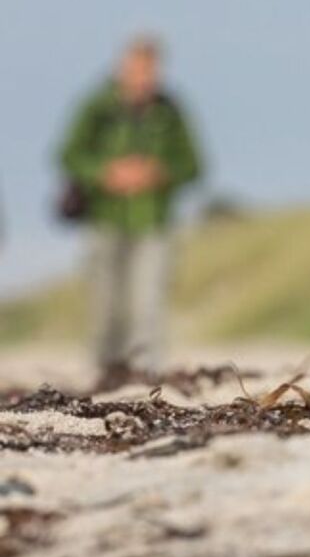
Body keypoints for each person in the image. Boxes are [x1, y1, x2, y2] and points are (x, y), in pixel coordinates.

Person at [57, 35, 203, 379]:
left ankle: (145, 370)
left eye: (151, 69)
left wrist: (159, 171)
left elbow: (194, 165)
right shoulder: (96, 107)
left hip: (153, 219)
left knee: (148, 301)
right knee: (105, 302)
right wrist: (106, 172)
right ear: (122, 67)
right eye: (137, 68)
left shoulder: (171, 112)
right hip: (104, 217)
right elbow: (67, 155)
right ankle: (104, 367)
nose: (144, 77)